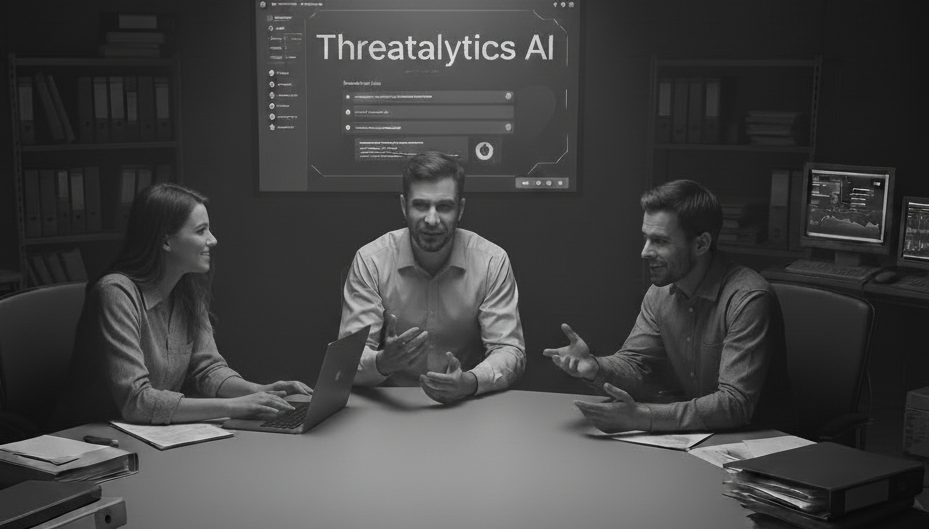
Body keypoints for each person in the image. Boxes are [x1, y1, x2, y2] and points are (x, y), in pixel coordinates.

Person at [544, 179, 792, 433]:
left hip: (758, 445)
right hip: (698, 439)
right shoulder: (660, 293)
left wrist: (645, 417)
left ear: (701, 244)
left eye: (660, 242)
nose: (645, 252)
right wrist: (595, 367)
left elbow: (734, 404)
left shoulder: (747, 298)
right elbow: (637, 366)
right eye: (646, 239)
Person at [52, 183, 311, 426]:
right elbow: (136, 402)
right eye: (201, 231)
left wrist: (260, 391)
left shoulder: (186, 286)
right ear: (166, 241)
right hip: (98, 438)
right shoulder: (116, 292)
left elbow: (208, 368)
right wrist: (235, 406)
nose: (213, 240)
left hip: (152, 434)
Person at [339, 152, 525, 404]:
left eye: (444, 206)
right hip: (390, 407)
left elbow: (509, 349)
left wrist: (470, 381)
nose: (431, 219)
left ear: (460, 209)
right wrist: (383, 362)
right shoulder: (371, 260)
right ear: (404, 206)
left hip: (466, 407)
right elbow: (348, 362)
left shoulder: (491, 261)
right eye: (421, 205)